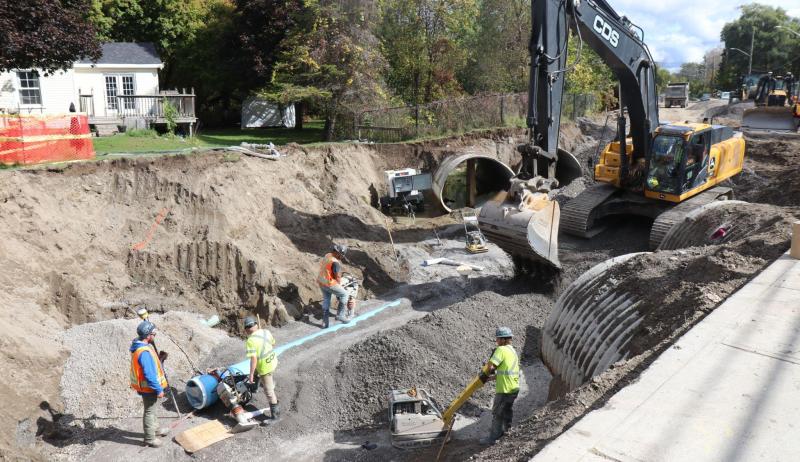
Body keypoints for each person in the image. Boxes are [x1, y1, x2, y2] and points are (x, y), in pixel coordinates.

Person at [130, 321, 170, 447]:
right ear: (148, 335)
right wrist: (158, 389)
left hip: (147, 387)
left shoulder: (141, 346)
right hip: (149, 388)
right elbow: (149, 374)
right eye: (154, 333)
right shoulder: (144, 352)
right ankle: (149, 438)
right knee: (149, 411)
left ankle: (155, 430)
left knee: (152, 409)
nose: (155, 335)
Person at [479, 327, 520, 445]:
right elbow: (506, 371)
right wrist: (490, 379)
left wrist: (487, 368)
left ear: (503, 339)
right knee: (506, 411)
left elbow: (491, 367)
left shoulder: (501, 350)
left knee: (497, 413)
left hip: (504, 389)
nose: (496, 341)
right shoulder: (512, 351)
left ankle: (493, 438)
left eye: (497, 338)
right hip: (513, 388)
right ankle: (507, 433)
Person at [244, 316, 280, 422]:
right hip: (273, 361)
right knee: (256, 372)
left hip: (265, 368)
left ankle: (275, 417)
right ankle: (254, 387)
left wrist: (251, 374)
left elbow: (254, 359)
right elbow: (273, 343)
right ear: (256, 325)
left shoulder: (250, 341)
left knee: (269, 392)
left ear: (246, 330)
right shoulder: (266, 332)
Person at [317, 244, 351, 328]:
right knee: (344, 294)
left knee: (326, 299)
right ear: (338, 253)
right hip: (329, 283)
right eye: (342, 255)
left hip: (321, 281)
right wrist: (340, 285)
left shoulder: (328, 255)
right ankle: (340, 315)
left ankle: (325, 322)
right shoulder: (335, 262)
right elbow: (337, 276)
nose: (342, 257)